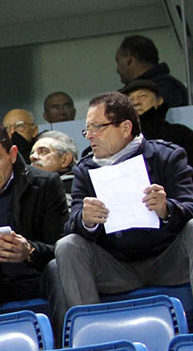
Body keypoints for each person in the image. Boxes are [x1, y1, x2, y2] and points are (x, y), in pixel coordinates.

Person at [56, 91, 193, 308]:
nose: (89, 135)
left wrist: (166, 209)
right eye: (87, 129)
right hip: (117, 266)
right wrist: (86, 221)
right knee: (67, 245)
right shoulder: (85, 170)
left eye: (97, 127)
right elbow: (70, 225)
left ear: (126, 128)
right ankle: (90, 331)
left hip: (168, 259)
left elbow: (190, 206)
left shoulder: (167, 156)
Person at [0, 119, 68, 330]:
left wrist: (29, 251)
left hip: (40, 275)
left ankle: (68, 347)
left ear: (13, 154)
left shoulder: (46, 184)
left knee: (58, 268)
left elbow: (62, 249)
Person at [121, 79, 193, 161]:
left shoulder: (180, 134)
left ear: (159, 100)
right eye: (130, 99)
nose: (136, 102)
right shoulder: (122, 139)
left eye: (142, 96)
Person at [116, 34, 188, 108]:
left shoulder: (167, 88)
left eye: (118, 61)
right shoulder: (170, 86)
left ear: (129, 60)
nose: (117, 70)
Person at [30, 130, 78, 204]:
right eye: (32, 153)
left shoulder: (75, 188)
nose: (32, 157)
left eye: (43, 151)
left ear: (65, 159)